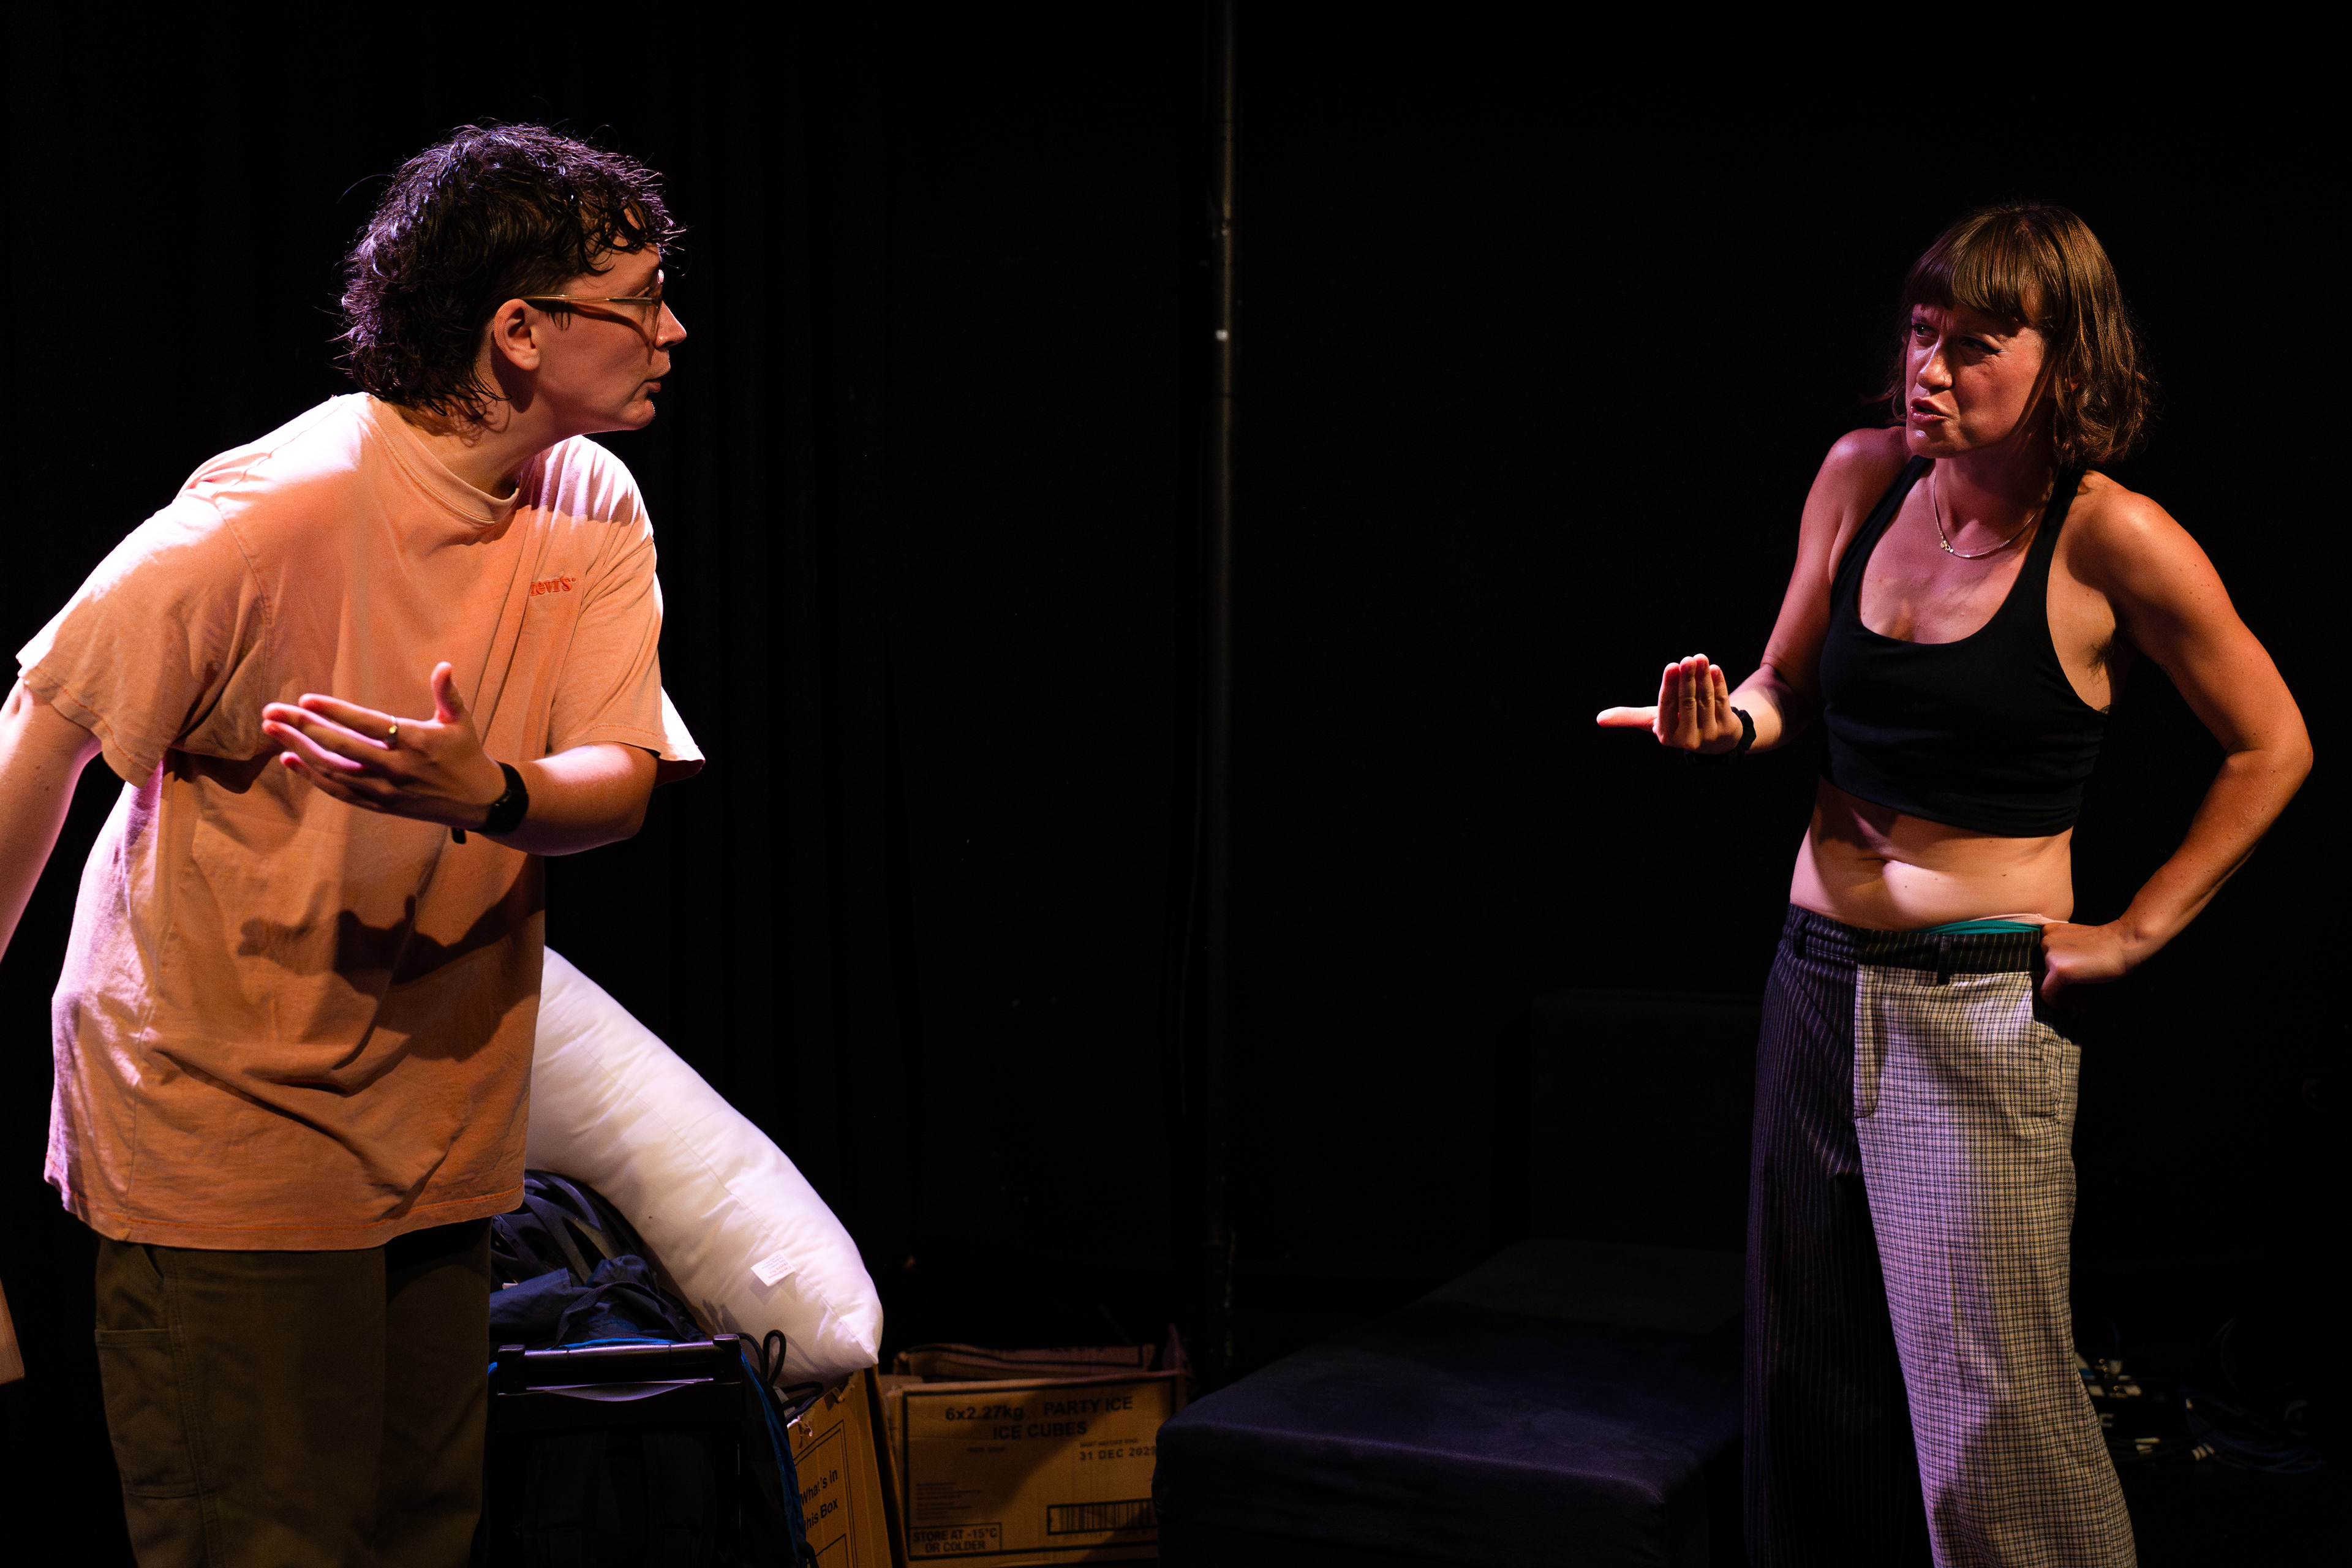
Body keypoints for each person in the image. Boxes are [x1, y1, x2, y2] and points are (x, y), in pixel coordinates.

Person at [0, 124, 702, 1564]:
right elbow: (44, 724)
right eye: (639, 300)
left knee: (419, 1534)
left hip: (436, 1136)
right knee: (266, 1539)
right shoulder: (273, 515)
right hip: (226, 1134)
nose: (672, 329)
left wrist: (488, 790)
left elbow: (619, 778)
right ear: (520, 331)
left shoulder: (591, 501)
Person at [1598, 203, 2310, 1567]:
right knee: (1813, 1380)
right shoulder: (1862, 473)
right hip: (1814, 982)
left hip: (1975, 1005)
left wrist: (2135, 933)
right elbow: (1783, 679)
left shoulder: (2112, 537)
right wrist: (1726, 727)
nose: (1930, 368)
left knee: (1991, 1411)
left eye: (1977, 344)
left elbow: (2272, 742)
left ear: (2068, 362)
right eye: (1924, 332)